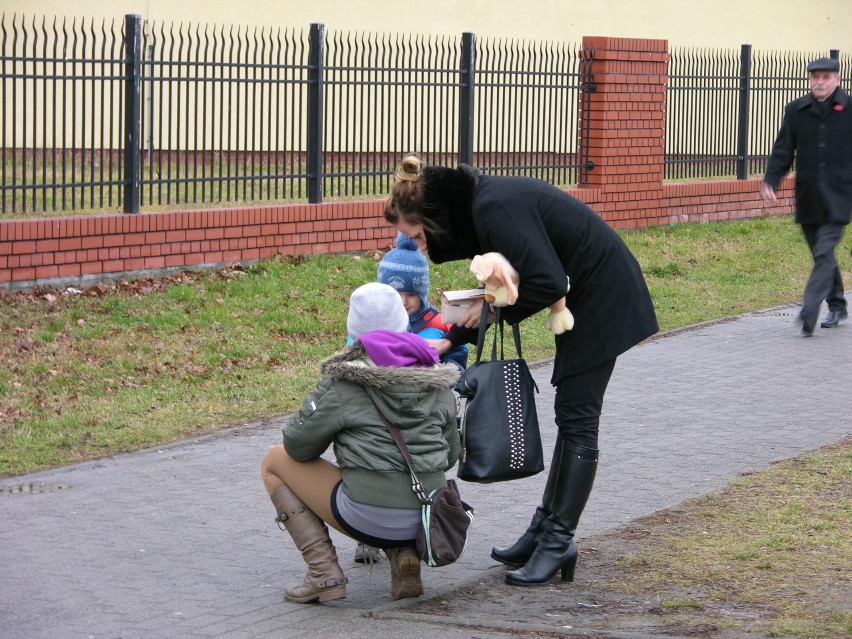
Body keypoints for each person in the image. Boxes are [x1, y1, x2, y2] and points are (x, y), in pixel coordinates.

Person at [384, 154, 659, 587]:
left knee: (578, 420)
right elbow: (506, 286)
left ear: (436, 217)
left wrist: (488, 310)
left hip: (604, 298)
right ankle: (543, 529)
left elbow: (545, 282)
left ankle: (557, 539)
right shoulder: (483, 207)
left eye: (418, 236)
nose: (420, 246)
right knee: (571, 419)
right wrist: (453, 337)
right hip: (583, 297)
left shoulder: (494, 208)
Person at [260, 282, 462, 603]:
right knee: (395, 480)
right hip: (428, 515)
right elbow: (450, 455)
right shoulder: (438, 379)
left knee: (274, 461)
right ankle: (403, 553)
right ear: (402, 321)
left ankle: (323, 573)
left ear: (354, 330)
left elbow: (298, 447)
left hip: (368, 516)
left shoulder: (345, 380)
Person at [760, 56, 850, 336]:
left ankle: (810, 310)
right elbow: (784, 148)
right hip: (809, 194)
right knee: (821, 254)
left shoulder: (849, 109)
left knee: (824, 251)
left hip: (840, 194)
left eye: (826, 77)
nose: (820, 82)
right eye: (815, 77)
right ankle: (837, 304)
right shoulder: (796, 110)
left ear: (837, 79)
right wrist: (772, 180)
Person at [378, 232, 469, 373]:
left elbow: (457, 354)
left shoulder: (439, 323)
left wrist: (447, 373)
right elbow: (355, 348)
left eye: (411, 294)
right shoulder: (374, 321)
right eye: (396, 294)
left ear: (422, 294)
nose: (403, 302)